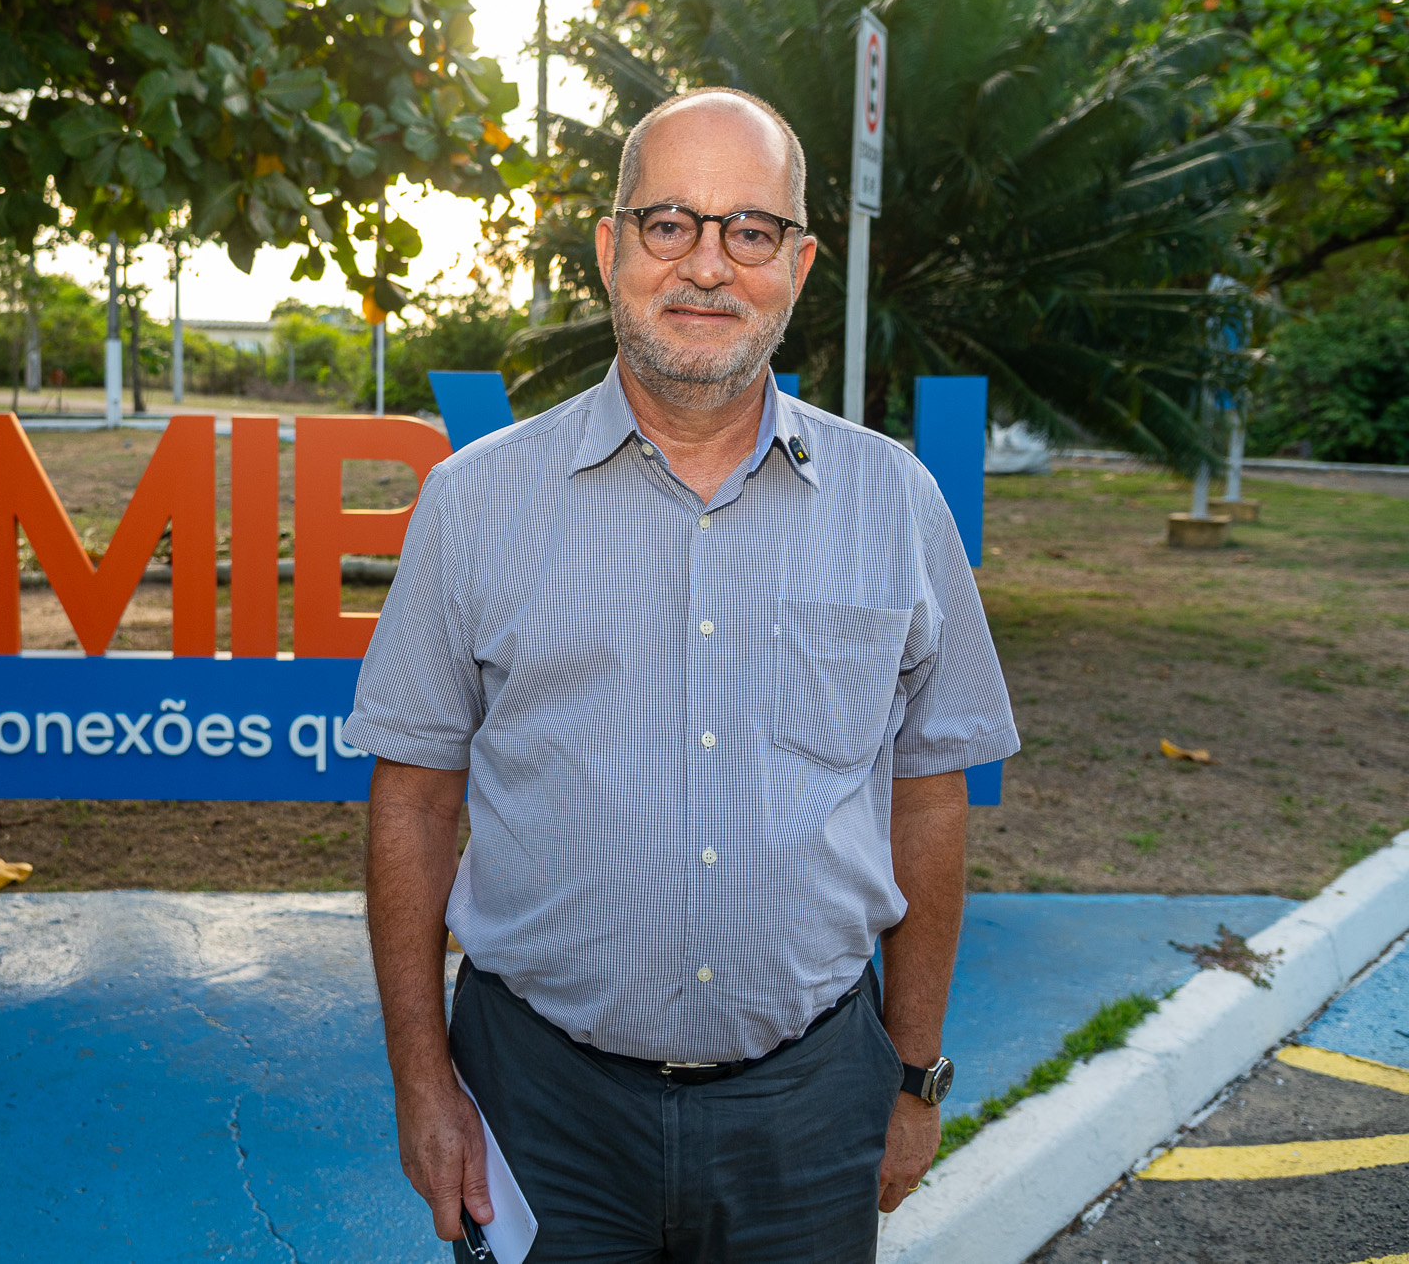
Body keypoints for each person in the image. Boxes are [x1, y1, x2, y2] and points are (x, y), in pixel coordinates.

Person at [344, 87, 1019, 1263]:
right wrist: (421, 1083)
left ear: (797, 265)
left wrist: (912, 1074)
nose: (707, 265)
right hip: (535, 1106)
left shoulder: (894, 504)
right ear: (609, 250)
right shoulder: (476, 504)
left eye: (747, 231)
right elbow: (412, 798)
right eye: (669, 224)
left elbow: (927, 790)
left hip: (808, 1116)